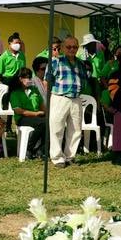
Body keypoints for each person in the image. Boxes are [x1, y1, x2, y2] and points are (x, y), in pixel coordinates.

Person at [47, 36, 89, 167]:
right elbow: (48, 80)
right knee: (57, 128)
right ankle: (57, 157)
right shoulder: (56, 61)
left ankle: (70, 156)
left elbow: (84, 80)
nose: (72, 49)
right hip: (60, 97)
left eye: (75, 47)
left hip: (76, 99)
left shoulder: (81, 63)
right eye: (69, 47)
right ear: (63, 48)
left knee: (76, 130)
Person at [8, 67, 46, 159]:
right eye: (27, 77)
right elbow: (19, 111)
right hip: (22, 118)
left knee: (50, 123)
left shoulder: (34, 89)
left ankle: (41, 150)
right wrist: (36, 114)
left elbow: (42, 105)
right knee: (43, 123)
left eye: (30, 77)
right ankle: (29, 148)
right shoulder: (15, 92)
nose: (29, 79)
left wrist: (44, 113)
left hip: (37, 117)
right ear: (20, 79)